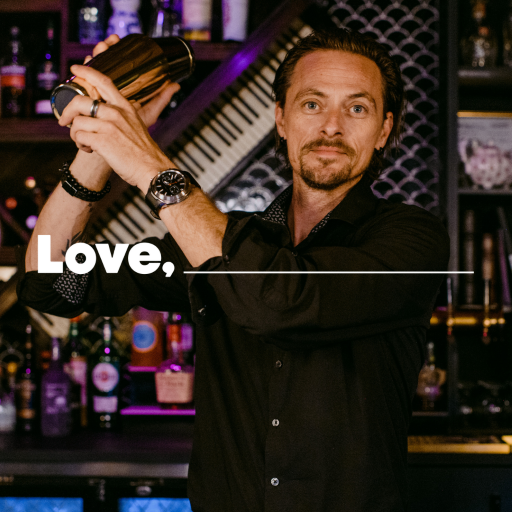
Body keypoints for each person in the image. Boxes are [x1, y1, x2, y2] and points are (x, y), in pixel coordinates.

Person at [17, 28, 449, 512]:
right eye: (311, 104)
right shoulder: (205, 246)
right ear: (281, 120)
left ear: (384, 130)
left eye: (357, 108)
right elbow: (50, 282)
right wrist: (98, 145)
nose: (331, 126)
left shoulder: (411, 242)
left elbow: (280, 303)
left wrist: (148, 164)